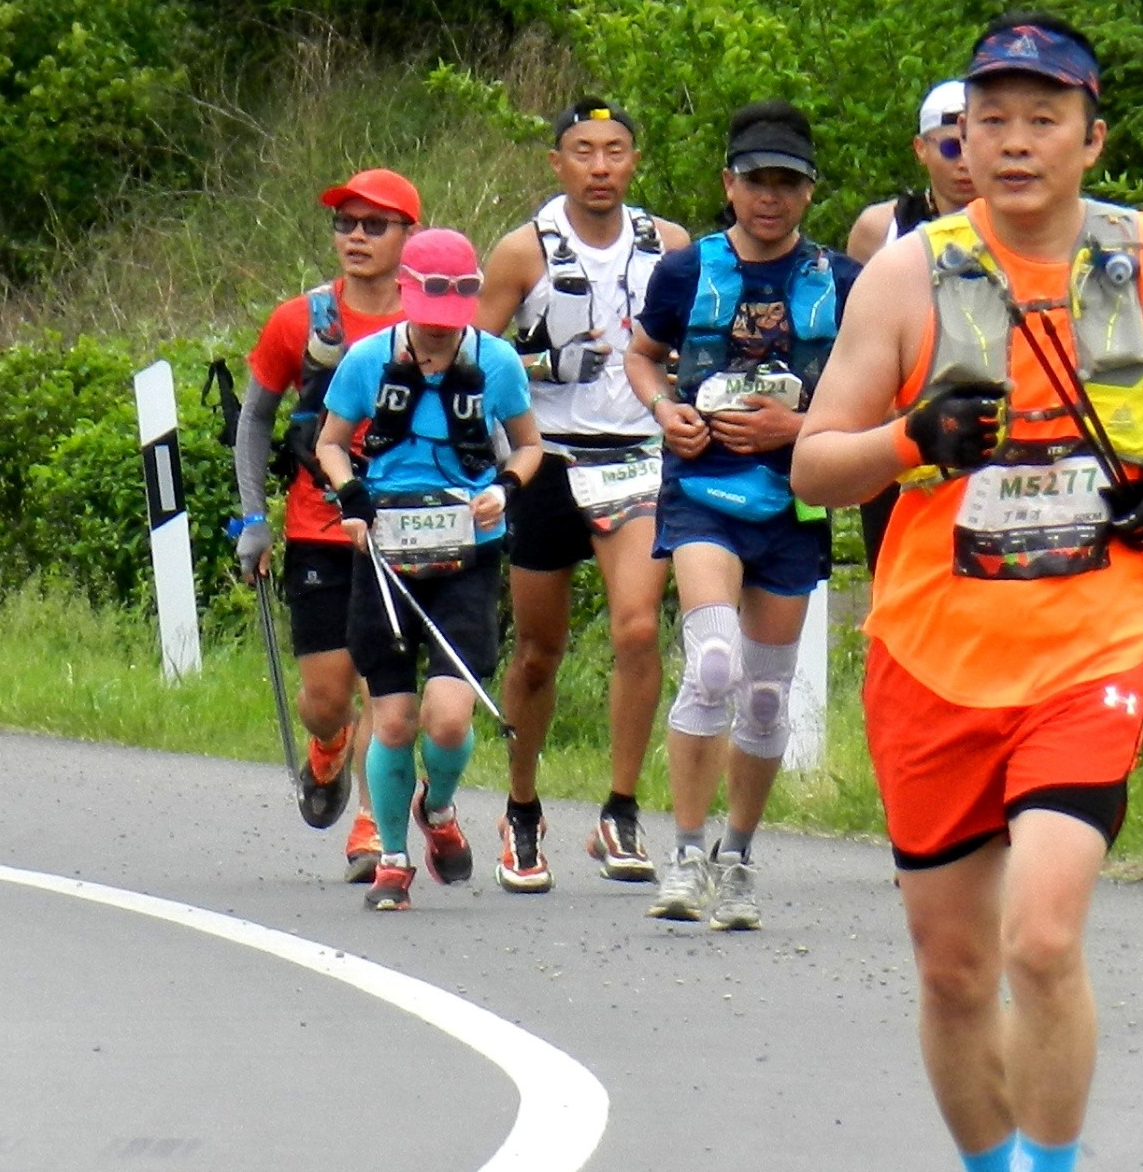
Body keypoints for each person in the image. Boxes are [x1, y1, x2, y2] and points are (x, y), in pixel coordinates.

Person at [792, 18, 1143, 1172]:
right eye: (987, 118)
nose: (1009, 140)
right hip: (932, 656)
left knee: (1041, 935)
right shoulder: (905, 276)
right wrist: (907, 438)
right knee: (951, 974)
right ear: (957, 141)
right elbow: (812, 468)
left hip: (1092, 641)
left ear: (1089, 136)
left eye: (1040, 117)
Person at [624, 99, 856, 933]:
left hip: (791, 503)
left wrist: (800, 428)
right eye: (755, 180)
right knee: (713, 660)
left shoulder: (844, 284)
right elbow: (644, 356)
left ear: (807, 193)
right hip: (701, 493)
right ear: (728, 184)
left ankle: (738, 859)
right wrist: (663, 410)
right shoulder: (686, 272)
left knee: (764, 696)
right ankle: (683, 855)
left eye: (786, 183)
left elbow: (876, 394)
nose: (769, 197)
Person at [481, 97, 685, 892]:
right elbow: (467, 352)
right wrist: (538, 364)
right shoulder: (522, 251)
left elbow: (697, 338)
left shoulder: (667, 246)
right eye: (582, 152)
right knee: (539, 651)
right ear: (557, 162)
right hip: (548, 462)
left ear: (633, 161)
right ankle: (522, 807)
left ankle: (621, 808)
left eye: (614, 151)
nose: (599, 168)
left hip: (635, 457)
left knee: (637, 631)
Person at [315, 230, 546, 911]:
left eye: (450, 326)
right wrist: (350, 496)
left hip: (466, 557)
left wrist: (504, 487)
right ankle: (392, 858)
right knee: (391, 721)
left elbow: (530, 446)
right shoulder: (365, 361)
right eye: (428, 325)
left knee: (446, 719)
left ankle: (436, 808)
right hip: (386, 556)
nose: (438, 338)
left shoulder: (497, 363)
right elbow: (329, 442)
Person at [234, 170, 418, 879]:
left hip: (403, 528)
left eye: (375, 225)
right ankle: (327, 747)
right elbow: (255, 417)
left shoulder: (433, 319)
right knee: (326, 699)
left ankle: (373, 827)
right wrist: (253, 517)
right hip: (319, 524)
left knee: (384, 682)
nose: (357, 237)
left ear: (408, 235)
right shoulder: (302, 320)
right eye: (346, 225)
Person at [841, 76, 981, 574]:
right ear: (921, 149)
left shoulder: (1023, 226)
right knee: (896, 580)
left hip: (989, 431)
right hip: (902, 432)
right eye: (948, 147)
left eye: (972, 142)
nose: (963, 161)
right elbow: (854, 340)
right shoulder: (881, 228)